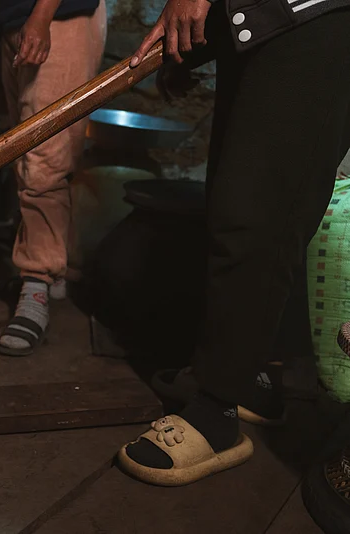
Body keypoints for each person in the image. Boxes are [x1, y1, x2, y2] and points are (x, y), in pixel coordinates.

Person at [116, 0, 350, 486]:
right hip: (269, 18)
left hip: (318, 15)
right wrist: (203, 43)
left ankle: (216, 413)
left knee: (259, 216)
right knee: (236, 205)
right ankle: (249, 379)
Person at [0, 0, 107, 356]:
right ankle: (54, 273)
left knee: (44, 161)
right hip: (20, 20)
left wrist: (41, 16)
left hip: (57, 16)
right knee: (30, 158)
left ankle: (36, 283)